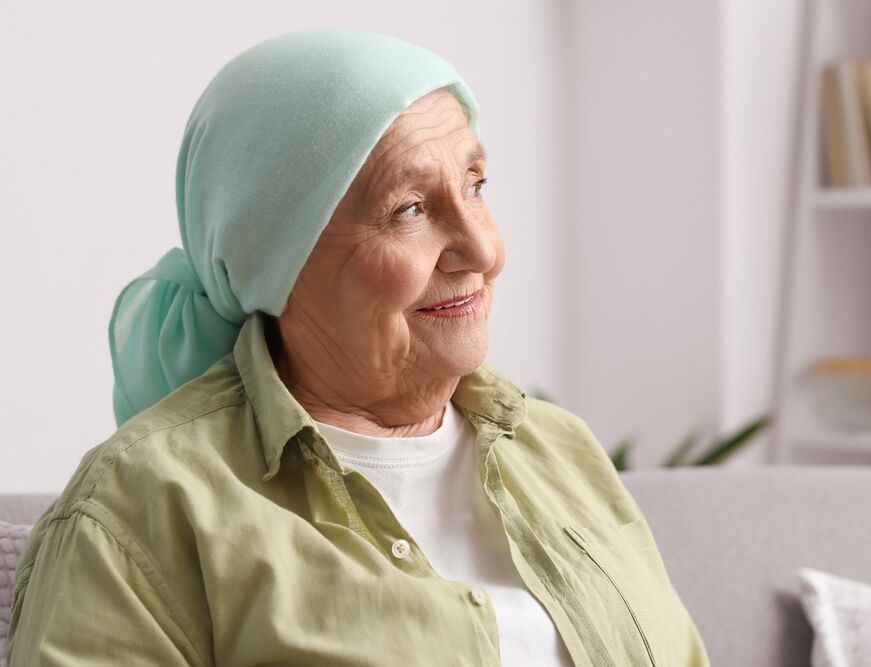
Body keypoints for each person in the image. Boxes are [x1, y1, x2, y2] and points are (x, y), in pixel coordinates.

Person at [6, 30, 709, 666]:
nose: (483, 248)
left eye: (476, 185)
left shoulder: (559, 450)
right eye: (409, 209)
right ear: (275, 261)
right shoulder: (141, 508)